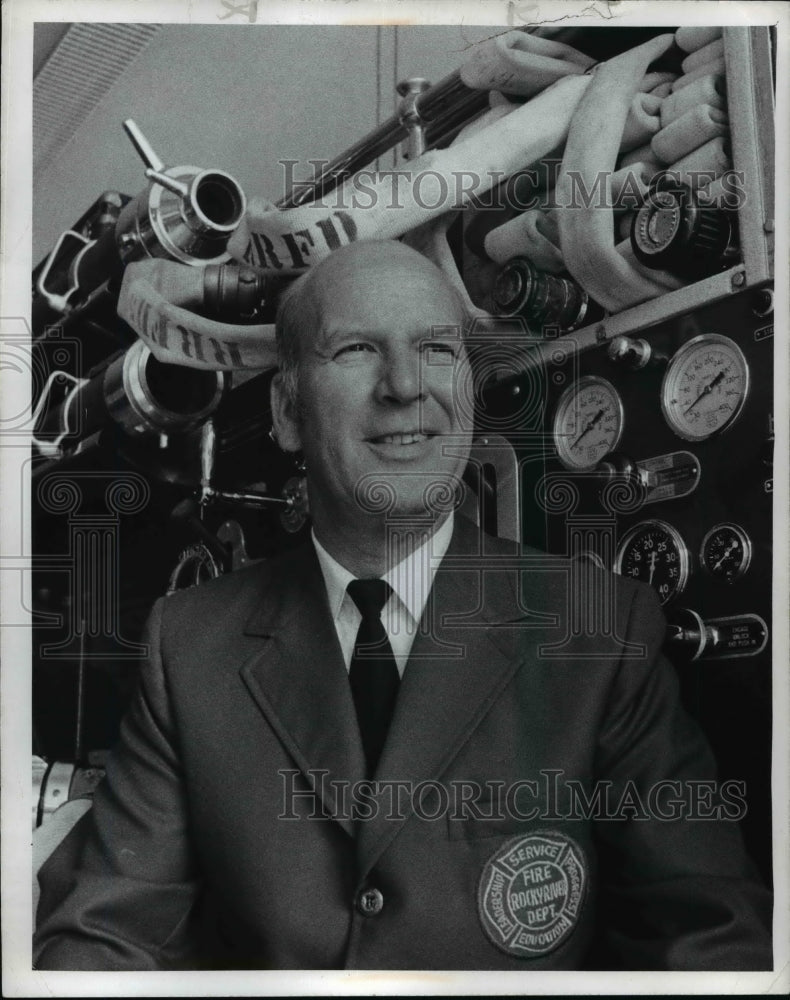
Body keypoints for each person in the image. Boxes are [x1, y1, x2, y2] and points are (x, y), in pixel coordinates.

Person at [34, 240, 772, 971]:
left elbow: (710, 939)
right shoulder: (188, 647)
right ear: (288, 411)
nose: (404, 385)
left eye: (437, 350)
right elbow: (106, 936)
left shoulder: (604, 633)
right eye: (356, 350)